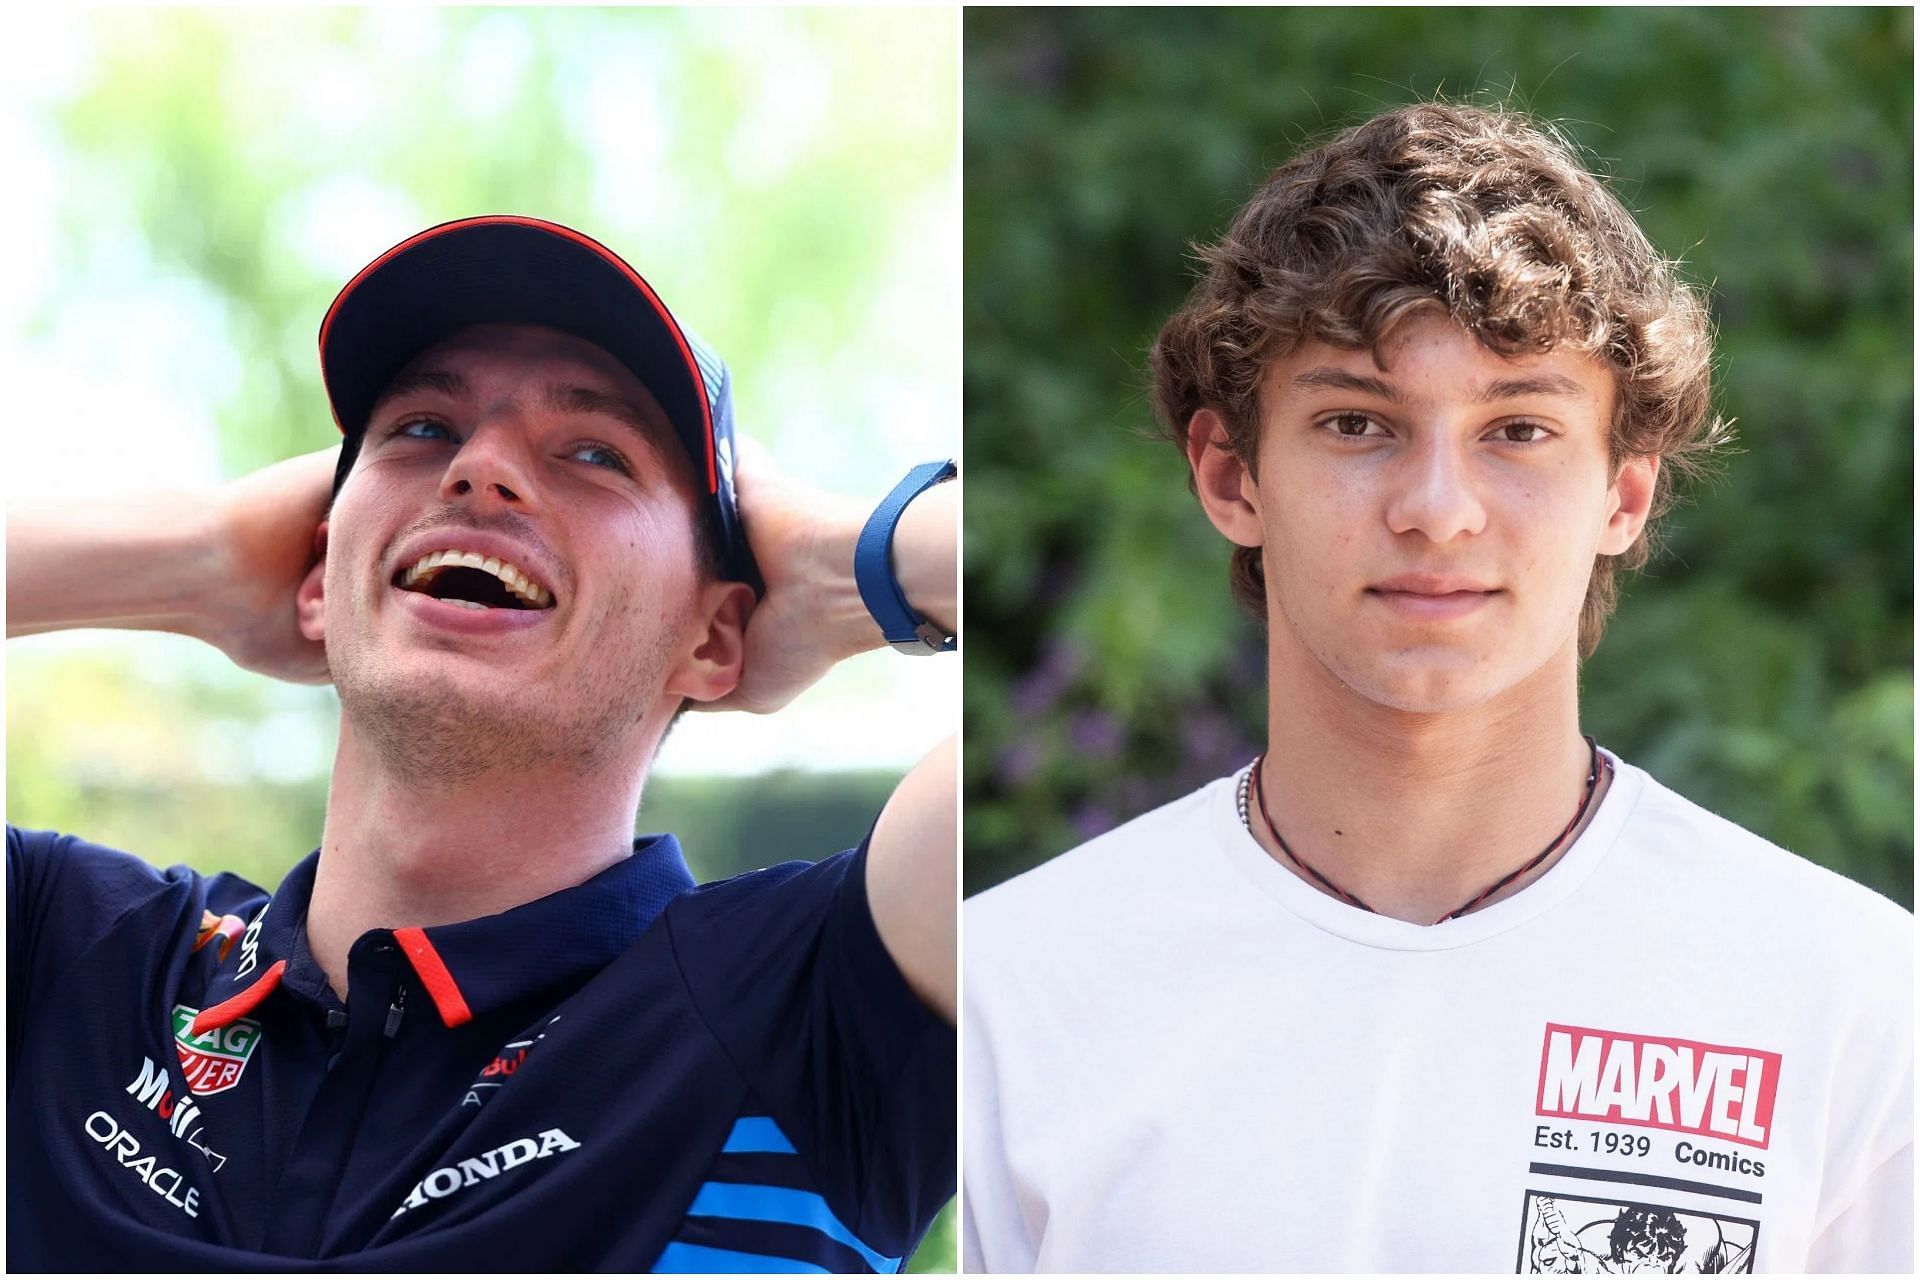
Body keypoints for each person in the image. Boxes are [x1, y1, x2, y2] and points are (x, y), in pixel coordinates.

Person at [963, 103, 1911, 1273]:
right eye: (1357, 422)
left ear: (1623, 497)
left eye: (1517, 429)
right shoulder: (1010, 990)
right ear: (1231, 475)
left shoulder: (1849, 993)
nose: (1438, 508)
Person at [7, 215, 957, 1271]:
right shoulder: (59, 951)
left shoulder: (809, 1005)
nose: (481, 468)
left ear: (716, 633)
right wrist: (198, 562)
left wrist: (850, 558)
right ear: (316, 578)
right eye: (420, 429)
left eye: (596, 451)